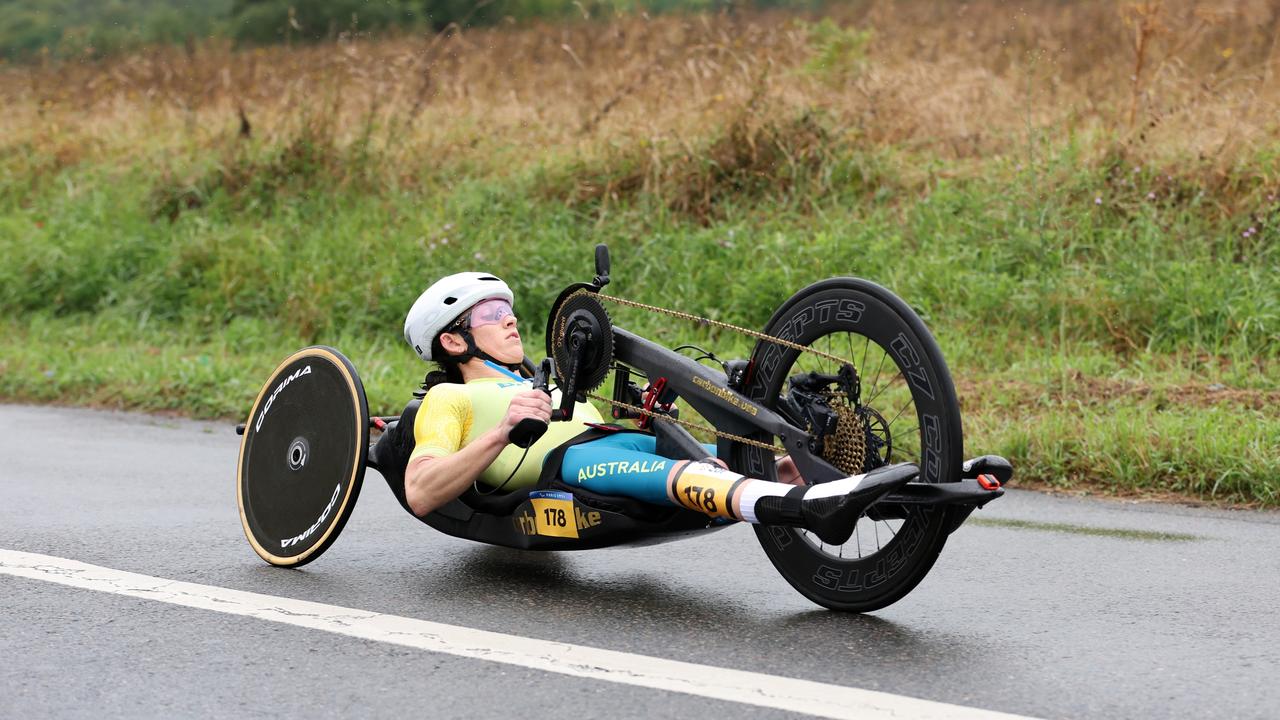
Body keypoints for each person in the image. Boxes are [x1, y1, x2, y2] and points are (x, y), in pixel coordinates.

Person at [399, 272, 917, 545]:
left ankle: (915, 495)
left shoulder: (550, 385)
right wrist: (502, 432)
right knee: (679, 472)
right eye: (491, 313)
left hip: (619, 445)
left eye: (509, 310)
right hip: (570, 468)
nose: (510, 321)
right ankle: (811, 512)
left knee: (768, 463)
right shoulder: (451, 398)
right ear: (451, 341)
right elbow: (421, 491)